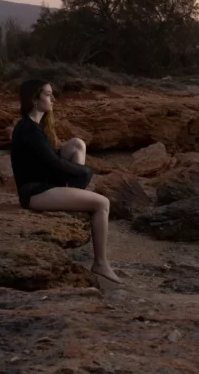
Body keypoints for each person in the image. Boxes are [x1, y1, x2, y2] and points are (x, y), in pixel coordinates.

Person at [10, 78, 122, 284]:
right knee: (102, 203)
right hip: (35, 192)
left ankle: (71, 194)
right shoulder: (30, 131)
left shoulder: (33, 125)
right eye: (47, 94)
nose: (53, 99)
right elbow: (54, 163)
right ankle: (100, 263)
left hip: (43, 182)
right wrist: (86, 171)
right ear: (34, 100)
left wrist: (77, 172)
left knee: (77, 144)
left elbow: (49, 159)